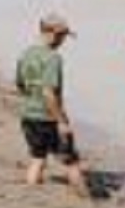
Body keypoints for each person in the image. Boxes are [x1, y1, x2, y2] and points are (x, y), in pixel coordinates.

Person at [14, 13, 88, 195]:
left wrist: (31, 101)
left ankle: (31, 192)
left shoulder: (26, 53)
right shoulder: (52, 58)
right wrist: (62, 122)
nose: (63, 41)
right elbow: (49, 92)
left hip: (28, 115)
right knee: (71, 160)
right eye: (63, 36)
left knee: (37, 157)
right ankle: (84, 196)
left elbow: (20, 84)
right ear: (53, 33)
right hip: (48, 117)